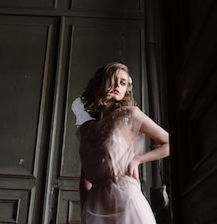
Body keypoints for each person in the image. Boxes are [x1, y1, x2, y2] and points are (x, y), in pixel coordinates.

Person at [71, 62, 170, 224]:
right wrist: (85, 213)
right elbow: (85, 181)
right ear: (101, 82)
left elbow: (169, 143)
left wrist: (137, 159)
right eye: (113, 80)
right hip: (95, 204)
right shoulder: (86, 129)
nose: (118, 85)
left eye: (123, 83)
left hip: (125, 198)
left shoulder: (130, 115)